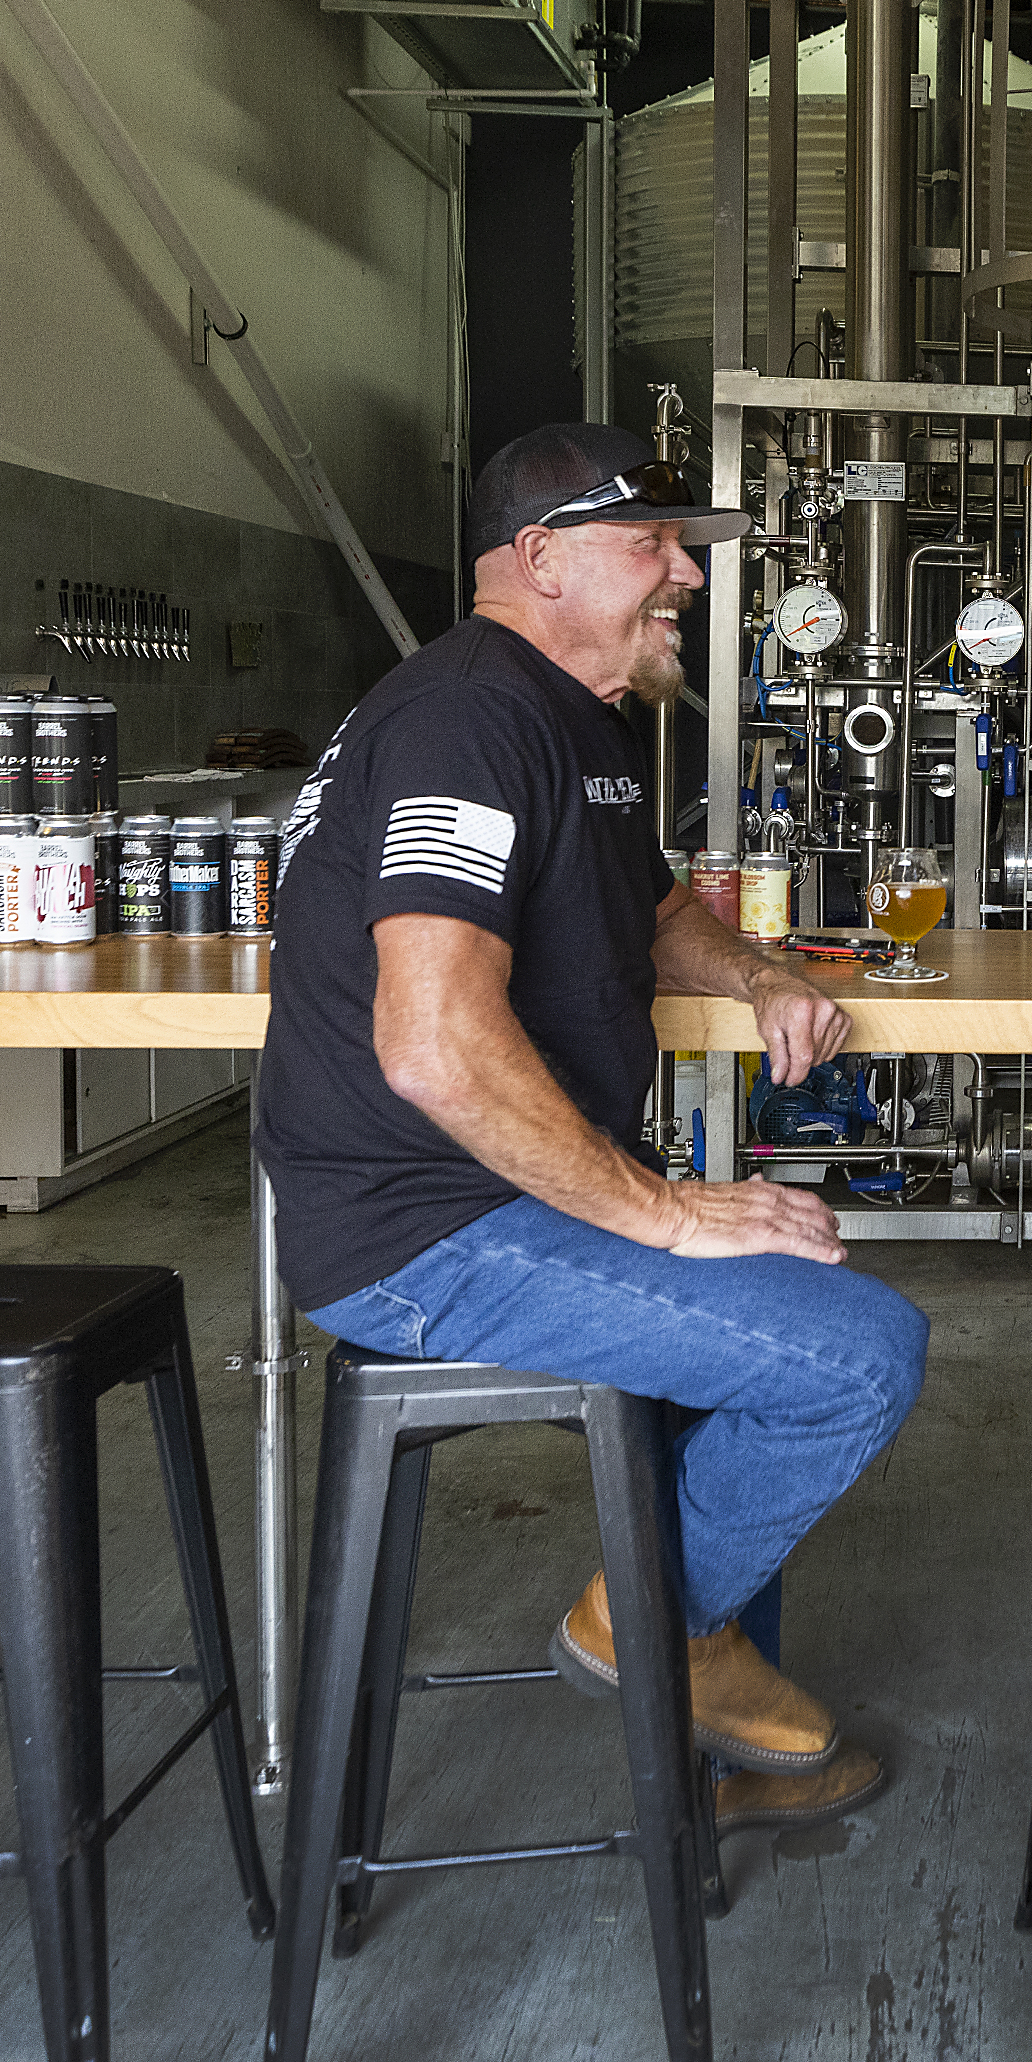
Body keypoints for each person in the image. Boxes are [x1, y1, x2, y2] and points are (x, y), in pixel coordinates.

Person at [255, 422, 929, 1836]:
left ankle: (712, 1717)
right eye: (651, 543)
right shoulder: (462, 720)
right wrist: (666, 1209)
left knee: (780, 1292)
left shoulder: (582, 718)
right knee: (858, 1351)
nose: (684, 570)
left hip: (487, 1196)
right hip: (419, 1229)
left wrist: (757, 973)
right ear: (539, 560)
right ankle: (656, 1634)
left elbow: (657, 908)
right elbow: (433, 1043)